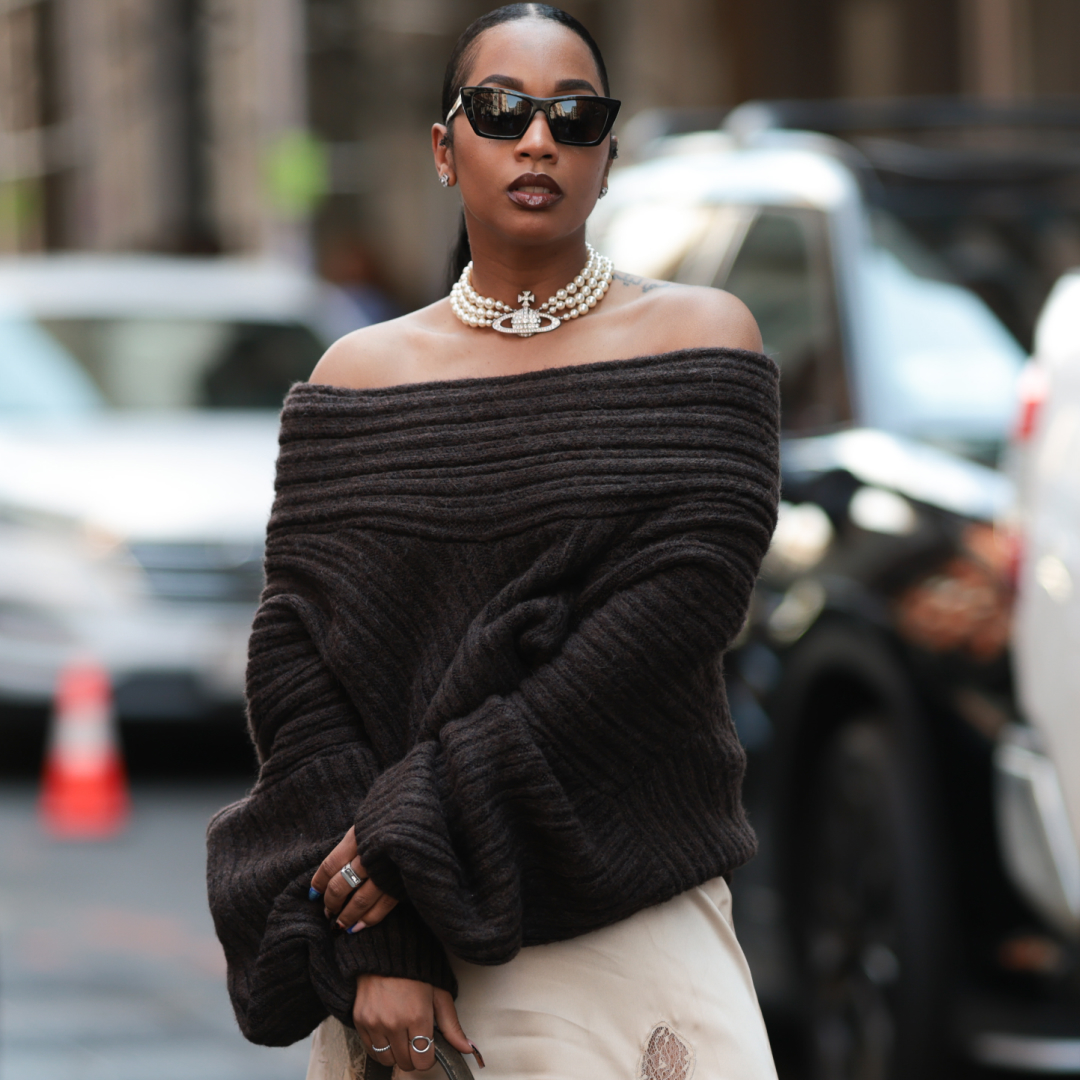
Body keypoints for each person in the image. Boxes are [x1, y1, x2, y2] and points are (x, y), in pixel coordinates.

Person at [206, 5, 781, 1078]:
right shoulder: (353, 383)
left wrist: (409, 829)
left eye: (575, 116)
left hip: (629, 907)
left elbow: (662, 631)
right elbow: (300, 675)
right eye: (501, 110)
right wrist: (387, 932)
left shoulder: (705, 345)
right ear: (444, 147)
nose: (537, 141)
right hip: (407, 955)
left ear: (608, 156)